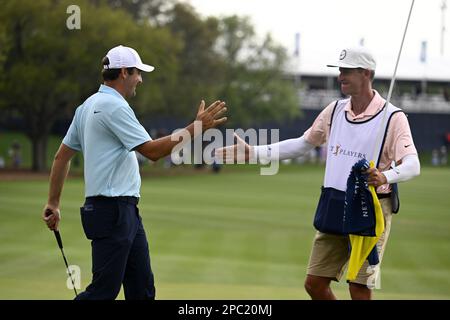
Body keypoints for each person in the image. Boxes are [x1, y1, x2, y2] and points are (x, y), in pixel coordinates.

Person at [216, 47, 420, 300]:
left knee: (358, 287)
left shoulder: (393, 117)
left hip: (371, 209)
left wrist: (386, 176)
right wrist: (254, 153)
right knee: (314, 283)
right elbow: (304, 143)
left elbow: (412, 164)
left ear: (366, 73)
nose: (340, 76)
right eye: (340, 70)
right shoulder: (334, 110)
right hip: (334, 203)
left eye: (347, 70)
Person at [42, 45, 227, 300]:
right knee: (103, 292)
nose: (140, 79)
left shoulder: (87, 106)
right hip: (113, 211)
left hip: (122, 211)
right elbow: (152, 152)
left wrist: (53, 202)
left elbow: (60, 157)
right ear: (124, 72)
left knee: (142, 290)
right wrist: (195, 128)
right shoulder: (114, 106)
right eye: (138, 73)